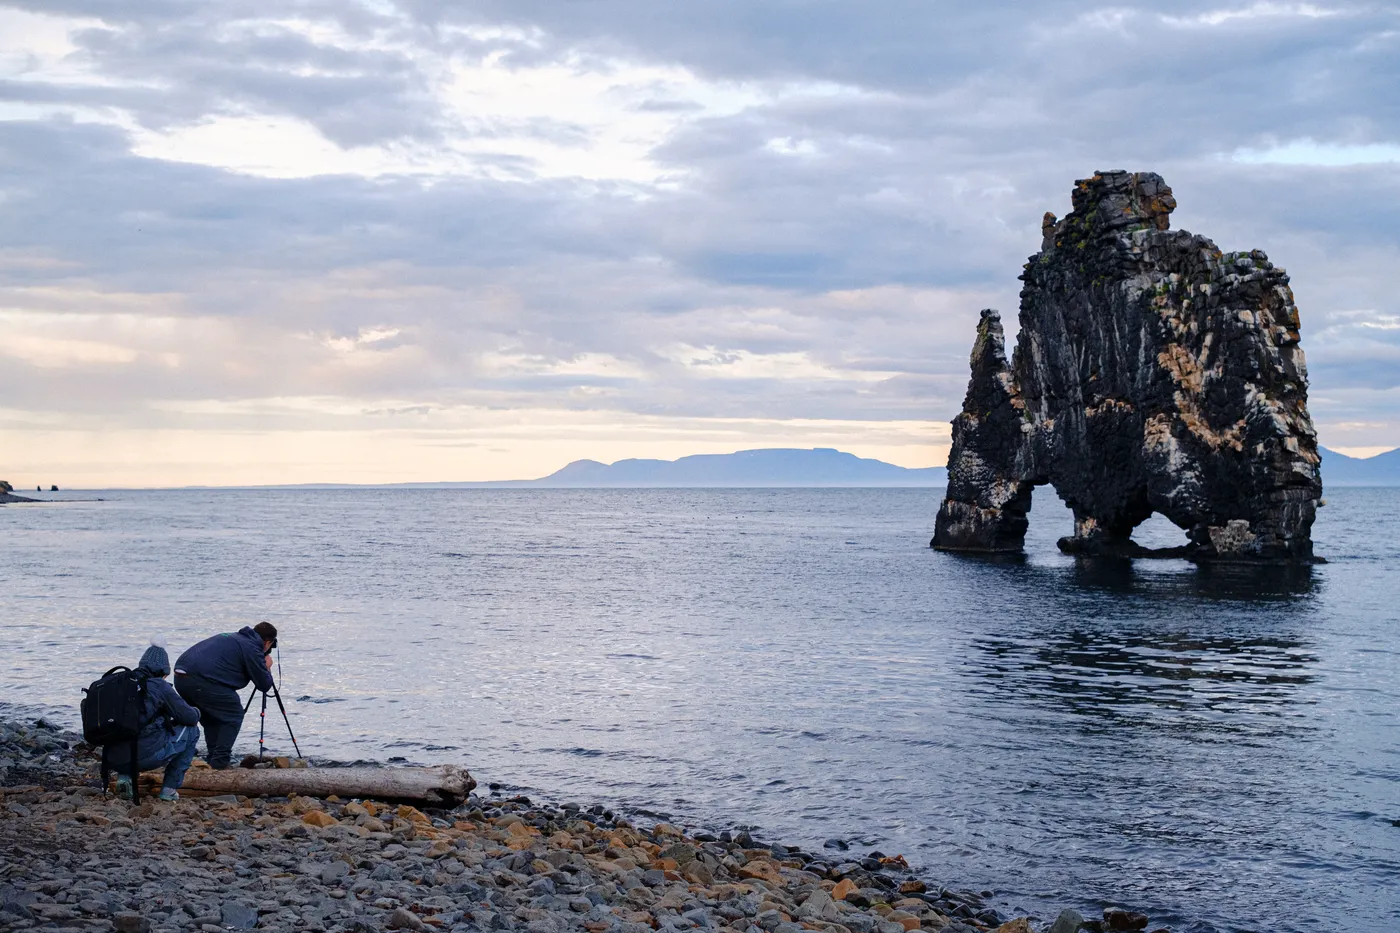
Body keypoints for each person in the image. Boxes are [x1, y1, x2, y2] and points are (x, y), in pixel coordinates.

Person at [174, 622, 277, 770]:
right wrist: (266, 666)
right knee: (234, 715)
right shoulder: (252, 648)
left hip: (181, 678)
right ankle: (220, 762)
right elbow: (264, 685)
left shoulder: (235, 638)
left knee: (211, 719)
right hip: (201, 680)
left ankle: (212, 761)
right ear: (267, 642)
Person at [112, 640, 202, 801]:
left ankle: (124, 778)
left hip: (116, 756)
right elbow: (189, 717)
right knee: (192, 730)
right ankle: (169, 789)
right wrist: (196, 710)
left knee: (131, 729)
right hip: (146, 757)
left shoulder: (124, 682)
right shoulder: (160, 686)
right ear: (163, 670)